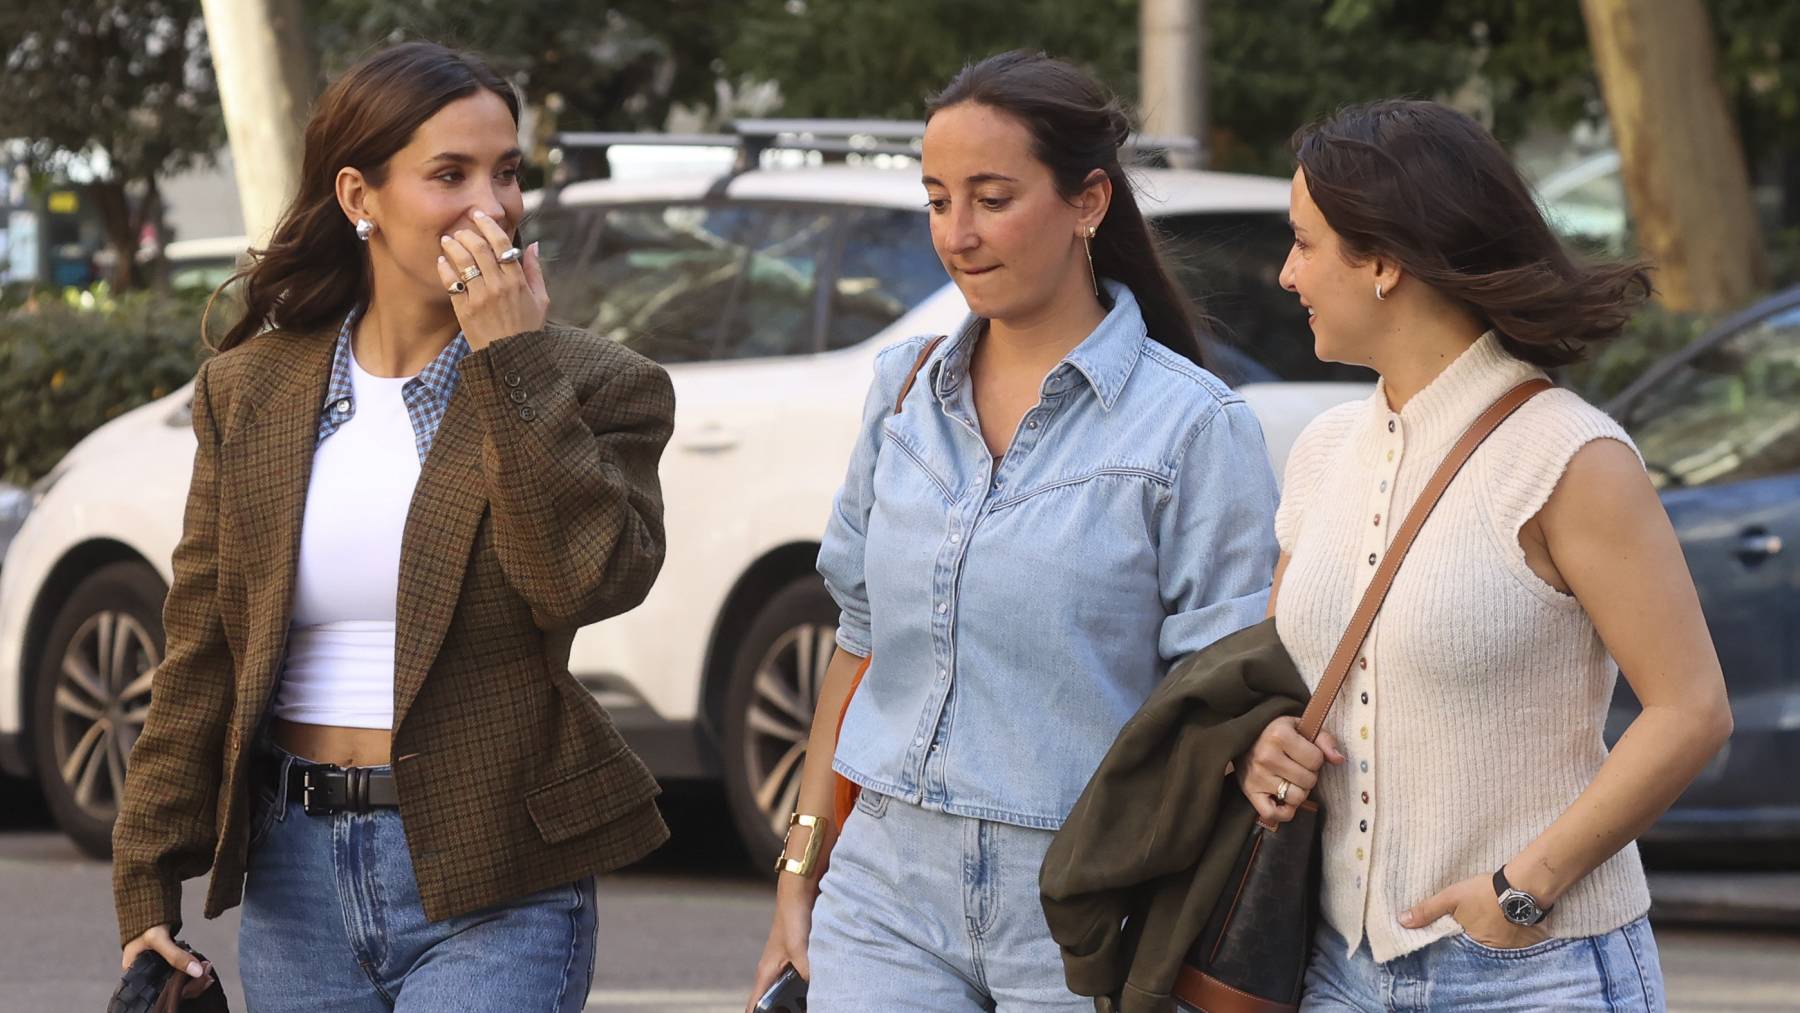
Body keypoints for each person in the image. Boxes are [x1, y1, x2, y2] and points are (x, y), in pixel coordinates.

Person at [112, 41, 675, 1012]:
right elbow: (203, 642)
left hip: (496, 868)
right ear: (359, 196)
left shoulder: (593, 382)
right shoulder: (253, 388)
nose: (490, 208)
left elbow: (578, 580)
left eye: (508, 175)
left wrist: (514, 364)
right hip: (295, 878)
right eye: (449, 175)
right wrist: (147, 874)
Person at [745, 50, 1280, 1012]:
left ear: (1088, 203)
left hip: (1085, 896)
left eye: (991, 198)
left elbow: (1220, 701)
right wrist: (802, 867)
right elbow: (857, 643)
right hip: (884, 890)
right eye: (938, 200)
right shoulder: (901, 391)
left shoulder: (1194, 427)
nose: (958, 234)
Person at [1239, 99, 1732, 1011]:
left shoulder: (1567, 456)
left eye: (1305, 244)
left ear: (1384, 261)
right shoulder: (1320, 453)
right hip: (1334, 969)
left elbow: (1691, 708)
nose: (1284, 274)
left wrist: (1522, 887)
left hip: (1531, 969)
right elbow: (1284, 680)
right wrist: (1265, 746)